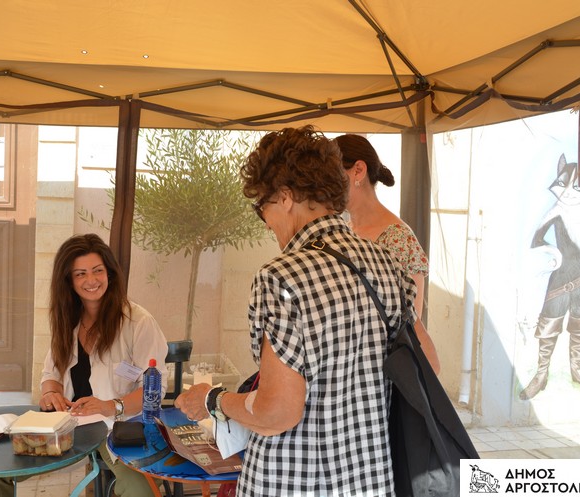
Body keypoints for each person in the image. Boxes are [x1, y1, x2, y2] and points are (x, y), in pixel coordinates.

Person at [175, 125, 417, 496]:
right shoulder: (387, 263)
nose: (267, 223)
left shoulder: (281, 277)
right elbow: (427, 365)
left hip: (294, 482)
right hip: (370, 480)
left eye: (263, 208)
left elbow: (276, 413)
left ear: (286, 197)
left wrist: (213, 399)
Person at [0, 233, 169, 497]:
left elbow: (155, 390)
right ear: (69, 280)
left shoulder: (138, 322)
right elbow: (50, 373)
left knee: (141, 489)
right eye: (80, 274)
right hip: (66, 427)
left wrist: (111, 405)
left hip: (115, 430)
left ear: (109, 273)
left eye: (98, 270)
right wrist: (51, 393)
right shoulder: (67, 319)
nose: (91, 280)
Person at [336, 133, 441, 374]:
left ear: (358, 171)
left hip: (382, 373)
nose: (325, 187)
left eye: (331, 176)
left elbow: (410, 325)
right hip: (347, 368)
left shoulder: (399, 239)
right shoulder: (344, 231)